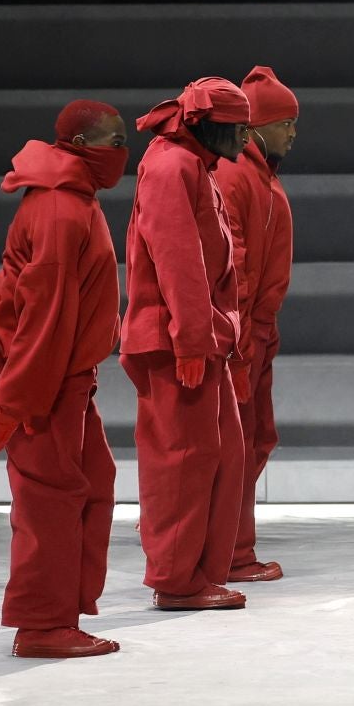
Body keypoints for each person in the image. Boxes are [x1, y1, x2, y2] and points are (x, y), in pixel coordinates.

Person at [0, 101, 128, 659]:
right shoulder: (63, 210)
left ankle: (60, 612)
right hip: (42, 381)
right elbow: (44, 317)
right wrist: (16, 402)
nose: (121, 152)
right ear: (82, 142)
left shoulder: (71, 200)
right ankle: (43, 624)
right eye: (113, 141)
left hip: (59, 378)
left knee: (86, 486)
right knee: (50, 501)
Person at [121, 78, 250, 611]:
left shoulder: (193, 163)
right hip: (177, 342)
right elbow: (178, 260)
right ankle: (177, 580)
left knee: (217, 456)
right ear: (211, 126)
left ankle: (194, 573)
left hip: (196, 337)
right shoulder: (173, 166)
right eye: (239, 129)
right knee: (182, 461)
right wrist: (193, 341)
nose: (245, 142)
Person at [216, 66, 297, 583]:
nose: (293, 133)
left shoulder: (260, 175)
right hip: (244, 332)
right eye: (286, 123)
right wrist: (243, 333)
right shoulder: (236, 177)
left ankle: (234, 548)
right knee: (239, 444)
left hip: (259, 329)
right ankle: (232, 552)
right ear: (257, 127)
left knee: (254, 439)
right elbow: (236, 263)